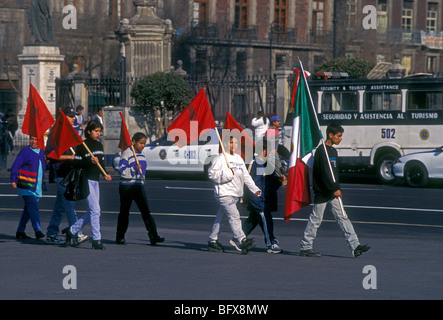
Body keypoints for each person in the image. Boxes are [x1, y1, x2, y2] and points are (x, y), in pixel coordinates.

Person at [300, 123, 370, 258]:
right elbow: (324, 173)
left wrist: (337, 187)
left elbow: (334, 173)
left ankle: (355, 246)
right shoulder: (322, 151)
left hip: (333, 191)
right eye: (338, 136)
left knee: (343, 217)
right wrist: (333, 188)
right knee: (316, 220)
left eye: (341, 136)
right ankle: (306, 246)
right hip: (323, 191)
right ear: (330, 135)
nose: (340, 139)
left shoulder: (333, 151)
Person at [62, 120, 112, 250]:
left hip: (96, 181)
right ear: (89, 131)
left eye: (100, 131)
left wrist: (105, 173)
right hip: (85, 180)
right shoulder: (83, 145)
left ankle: (72, 231)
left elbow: (101, 163)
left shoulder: (99, 146)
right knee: (96, 210)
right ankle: (96, 239)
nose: (98, 133)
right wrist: (89, 161)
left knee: (92, 211)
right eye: (96, 131)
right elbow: (77, 163)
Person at [208, 135, 261, 254]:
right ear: (226, 144)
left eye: (235, 143)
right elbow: (211, 174)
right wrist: (227, 174)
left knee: (220, 217)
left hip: (235, 193)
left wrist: (255, 189)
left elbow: (246, 176)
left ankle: (212, 240)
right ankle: (241, 240)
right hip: (224, 193)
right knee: (234, 216)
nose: (234, 145)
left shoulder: (238, 159)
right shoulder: (220, 158)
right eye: (231, 143)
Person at [45, 106, 88, 245]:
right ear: (63, 117)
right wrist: (70, 158)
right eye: (70, 115)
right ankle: (76, 233)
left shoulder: (72, 132)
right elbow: (50, 155)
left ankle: (51, 233)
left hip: (70, 174)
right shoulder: (55, 133)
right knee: (70, 204)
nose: (74, 117)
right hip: (60, 173)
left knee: (60, 206)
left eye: (74, 115)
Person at [116, 132, 164, 246]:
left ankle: (153, 236)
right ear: (134, 142)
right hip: (127, 187)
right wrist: (134, 169)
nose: (143, 146)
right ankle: (120, 236)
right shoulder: (127, 154)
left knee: (146, 212)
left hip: (138, 186)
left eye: (144, 143)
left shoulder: (141, 154)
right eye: (141, 143)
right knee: (124, 212)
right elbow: (122, 171)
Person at [242, 140, 285, 253]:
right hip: (256, 197)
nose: (271, 154)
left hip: (265, 198)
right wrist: (244, 199)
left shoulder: (268, 164)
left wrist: (279, 181)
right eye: (269, 151)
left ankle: (239, 237)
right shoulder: (253, 163)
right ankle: (271, 243)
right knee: (266, 218)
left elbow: (270, 183)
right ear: (263, 151)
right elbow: (246, 181)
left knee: (253, 220)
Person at [10, 136, 46, 239]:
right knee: (33, 208)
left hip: (37, 186)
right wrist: (13, 179)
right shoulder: (25, 151)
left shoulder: (42, 152)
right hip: (26, 185)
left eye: (36, 139)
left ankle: (20, 231)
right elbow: (16, 165)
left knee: (28, 210)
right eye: (32, 139)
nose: (34, 141)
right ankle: (37, 230)